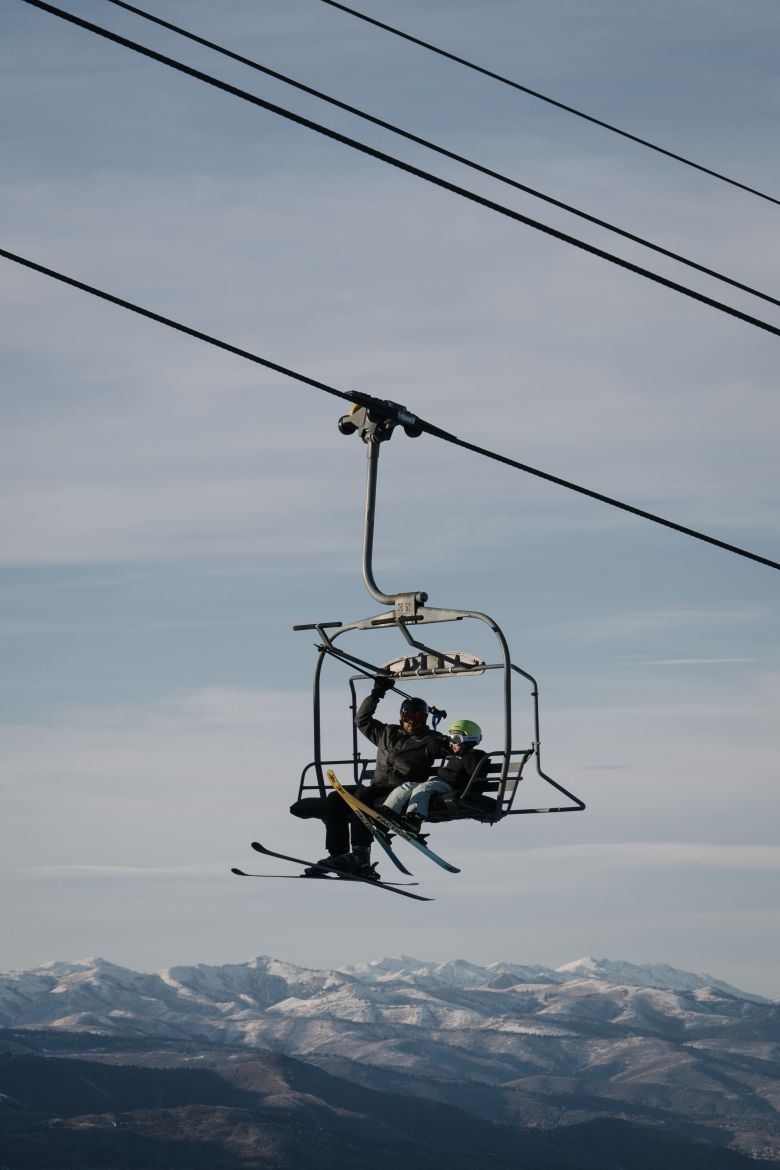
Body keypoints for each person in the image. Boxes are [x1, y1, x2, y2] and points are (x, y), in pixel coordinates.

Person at [290, 674, 446, 878]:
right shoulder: (387, 733)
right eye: (408, 716)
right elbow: (361, 720)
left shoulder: (430, 740)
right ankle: (339, 855)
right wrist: (376, 693)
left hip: (401, 790)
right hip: (376, 787)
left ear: (424, 719)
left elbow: (454, 749)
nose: (411, 722)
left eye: (417, 717)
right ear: (401, 716)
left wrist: (463, 744)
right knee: (336, 797)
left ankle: (361, 855)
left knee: (361, 797)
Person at [379, 718, 487, 834]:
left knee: (424, 788)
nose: (452, 743)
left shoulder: (474, 756)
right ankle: (387, 815)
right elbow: (438, 748)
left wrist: (444, 773)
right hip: (439, 783)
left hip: (451, 786)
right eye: (451, 738)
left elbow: (475, 779)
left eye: (456, 739)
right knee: (407, 786)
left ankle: (414, 820)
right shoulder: (455, 754)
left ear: (470, 740)